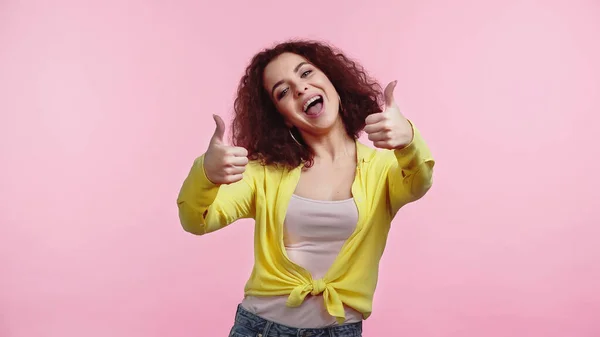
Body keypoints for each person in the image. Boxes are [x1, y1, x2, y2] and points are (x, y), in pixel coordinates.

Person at [176, 39, 435, 337]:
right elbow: (196, 219)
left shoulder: (382, 170)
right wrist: (205, 173)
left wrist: (409, 139)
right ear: (282, 115)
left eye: (306, 73)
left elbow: (419, 180)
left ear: (331, 80)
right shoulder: (263, 174)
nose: (299, 88)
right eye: (283, 91)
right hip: (259, 328)